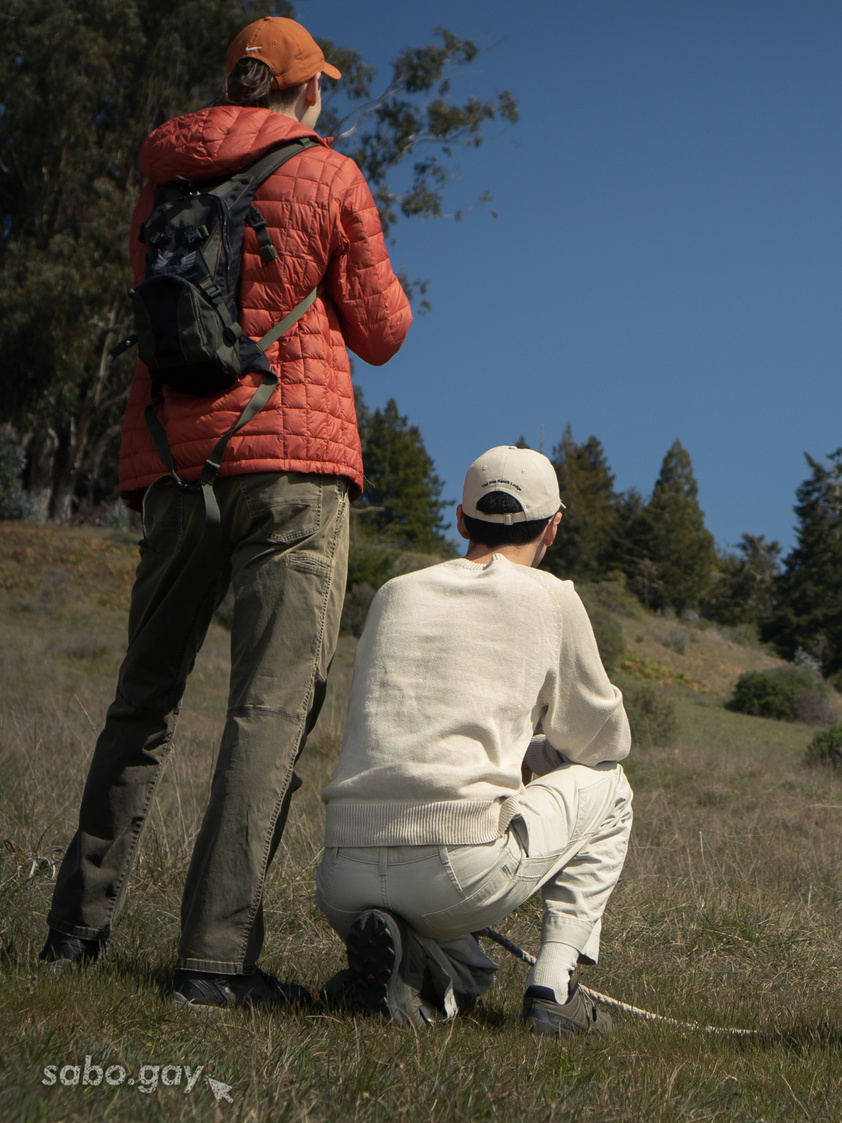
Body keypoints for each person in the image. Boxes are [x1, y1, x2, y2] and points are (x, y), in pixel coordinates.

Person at [41, 16, 412, 1010]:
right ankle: (211, 963)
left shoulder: (159, 184)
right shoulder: (327, 176)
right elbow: (383, 332)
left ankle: (73, 934)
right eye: (320, 84)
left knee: (143, 699)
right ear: (302, 92)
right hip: (291, 465)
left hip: (170, 458)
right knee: (268, 707)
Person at [314, 446, 633, 1032]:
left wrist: (523, 757)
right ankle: (554, 990)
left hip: (341, 874)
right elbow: (604, 740)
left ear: (461, 520)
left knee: (471, 976)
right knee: (612, 787)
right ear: (553, 528)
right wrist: (543, 756)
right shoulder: (551, 597)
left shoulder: (394, 593)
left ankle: (416, 973)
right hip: (455, 867)